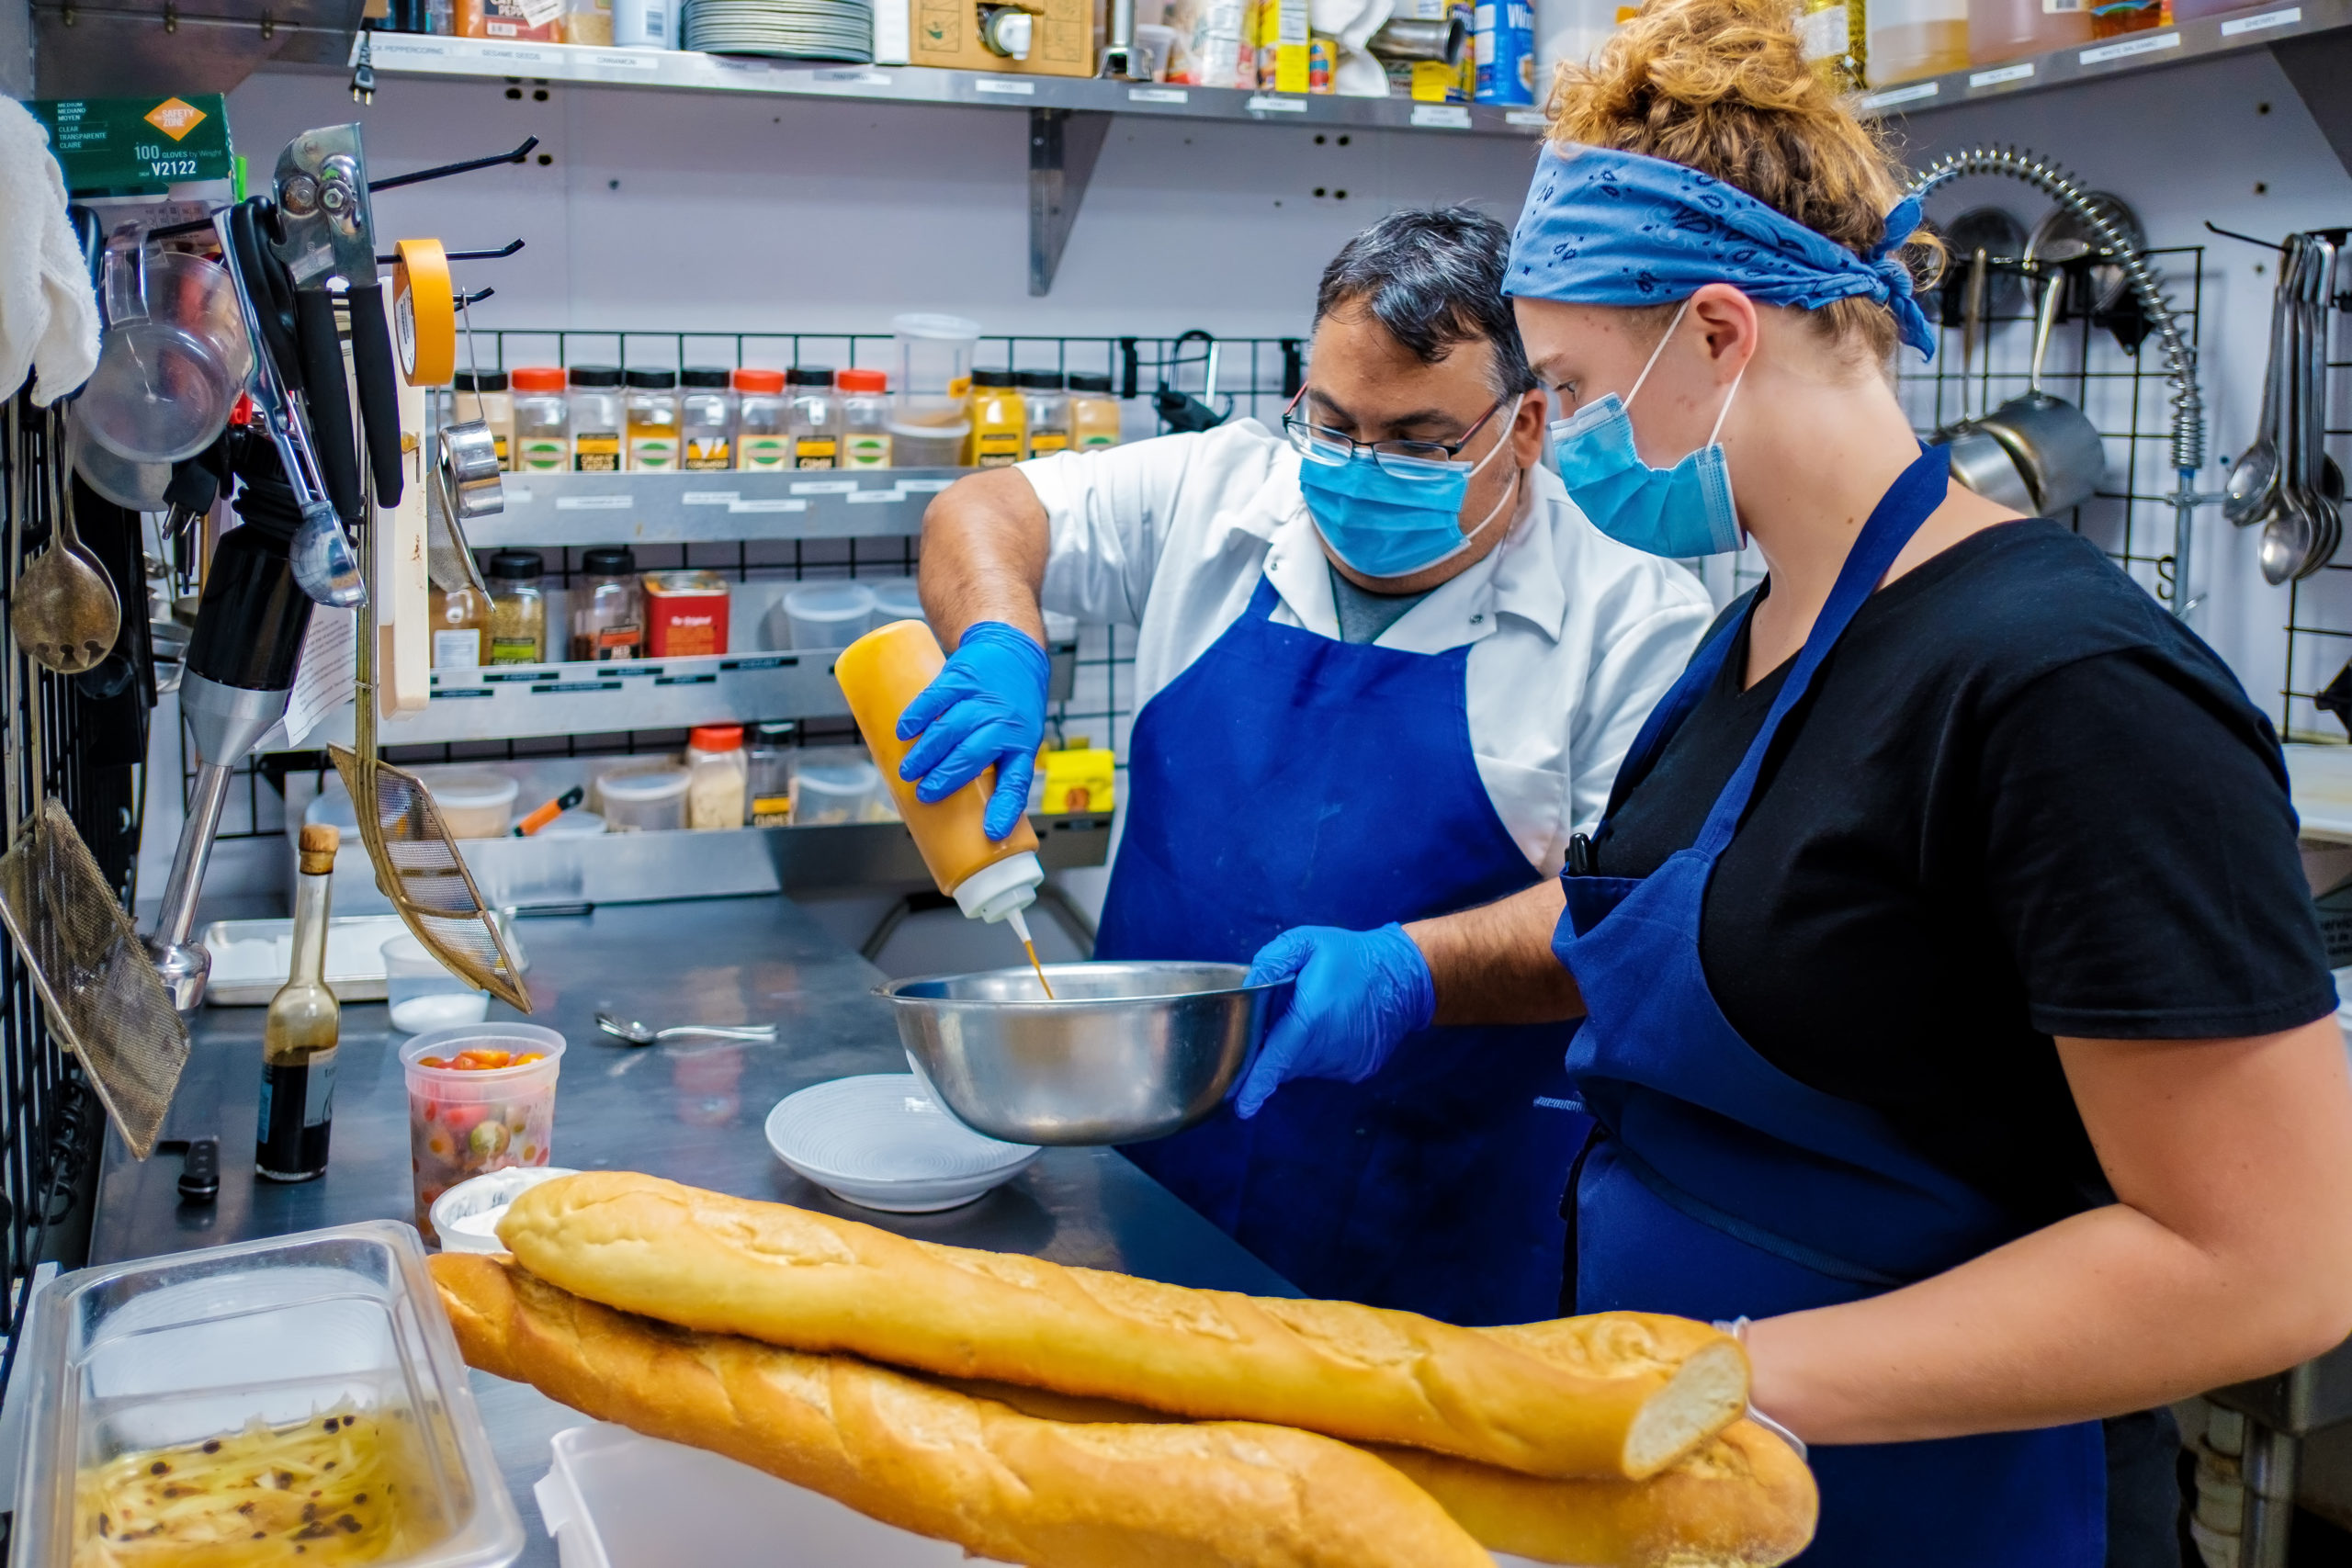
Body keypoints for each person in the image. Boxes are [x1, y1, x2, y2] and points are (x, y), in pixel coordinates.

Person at [1226, 2, 2352, 1562]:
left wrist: (1726, 1373)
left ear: (1715, 336)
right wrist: (1411, 974)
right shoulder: (1762, 633)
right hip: (1729, 1504)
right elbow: (1744, 931)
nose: (1547, 446)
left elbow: (2266, 1264)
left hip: (1955, 1510)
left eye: (1564, 381)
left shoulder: (2066, 689)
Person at [899, 208, 1713, 1326]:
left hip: (1438, 1213)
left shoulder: (1633, 616)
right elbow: (980, 508)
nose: (1359, 468)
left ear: (1525, 426)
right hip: (1152, 1169)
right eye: (1331, 425)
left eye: (1418, 440)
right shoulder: (1223, 493)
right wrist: (1000, 633)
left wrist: (1410, 973)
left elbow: (1635, 919)